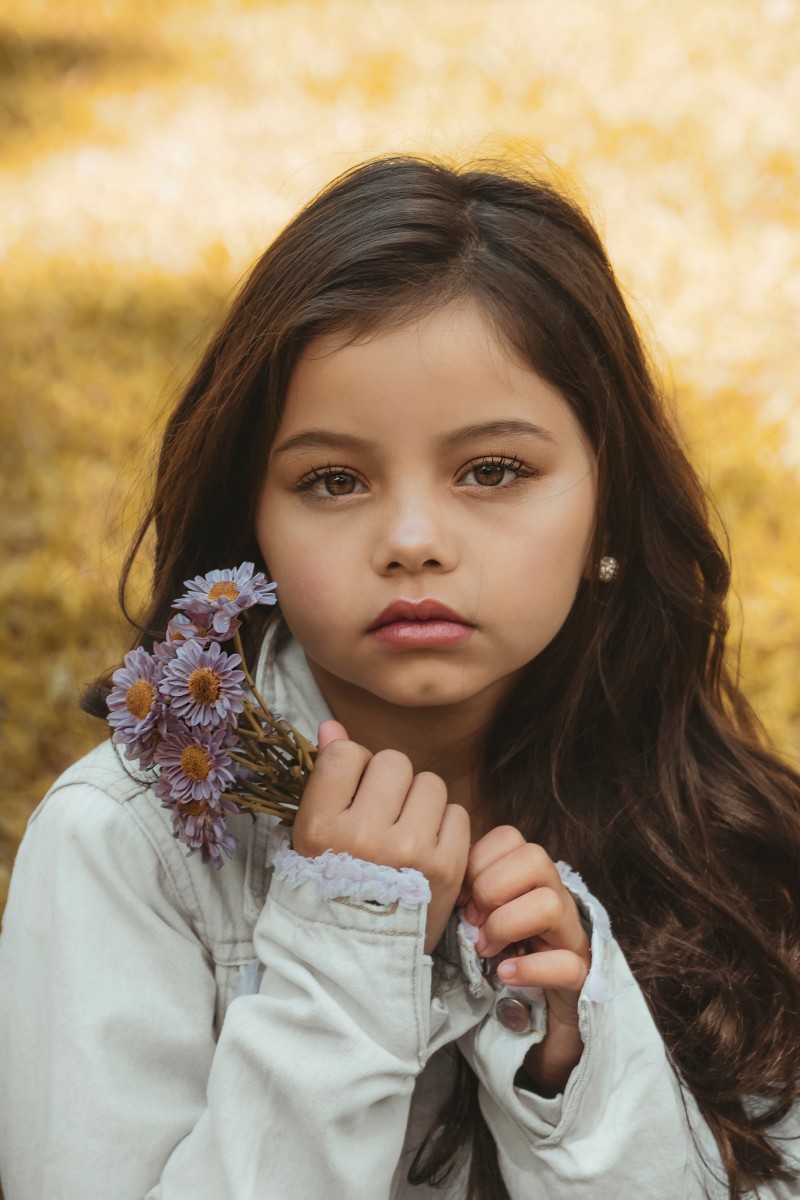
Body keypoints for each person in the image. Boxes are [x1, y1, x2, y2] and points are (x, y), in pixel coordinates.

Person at [0, 156, 798, 1200]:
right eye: (333, 480)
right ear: (256, 527)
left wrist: (574, 1068)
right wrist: (341, 957)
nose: (413, 539)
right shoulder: (126, 847)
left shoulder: (720, 830)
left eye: (492, 471)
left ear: (607, 501)